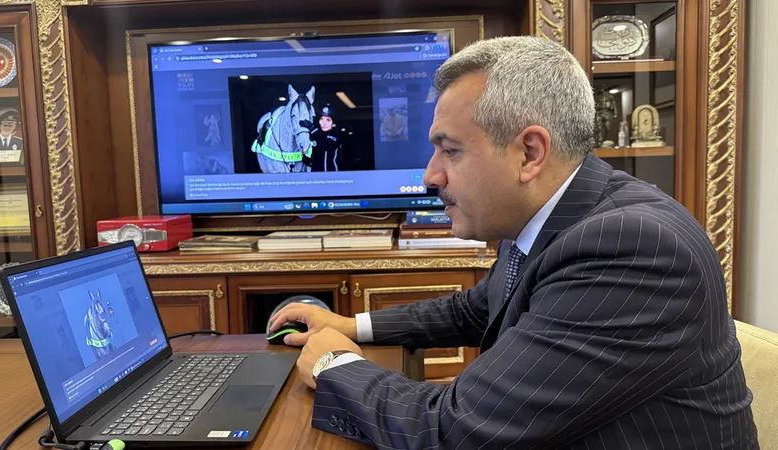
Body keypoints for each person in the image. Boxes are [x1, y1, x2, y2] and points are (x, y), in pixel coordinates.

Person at [269, 36, 758, 449]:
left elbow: (455, 432)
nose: (430, 175)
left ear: (529, 153)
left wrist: (334, 364)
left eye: (450, 150)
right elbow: (479, 307)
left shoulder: (632, 248)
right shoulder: (549, 214)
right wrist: (351, 324)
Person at [306, 103, 341, 172]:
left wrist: (313, 129)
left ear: (333, 122)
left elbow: (325, 144)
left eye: (328, 120)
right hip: (314, 174)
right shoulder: (313, 134)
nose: (324, 123)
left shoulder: (335, 136)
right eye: (321, 119)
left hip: (331, 173)